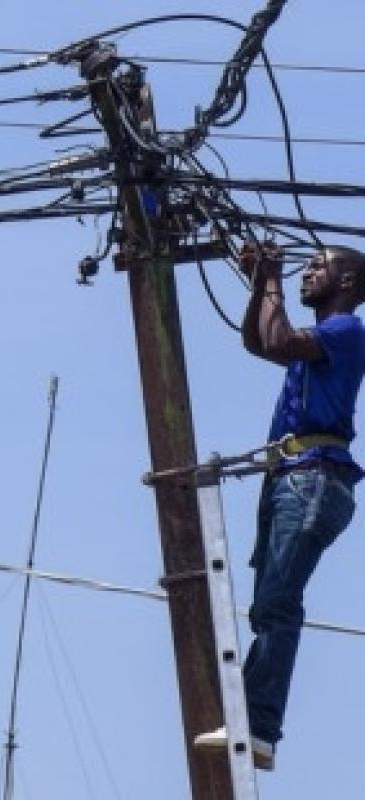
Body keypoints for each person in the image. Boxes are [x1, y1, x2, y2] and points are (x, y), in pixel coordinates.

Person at [194, 241, 365, 771]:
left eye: (320, 266)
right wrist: (260, 284)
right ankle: (253, 723)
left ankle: (259, 726)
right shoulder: (323, 337)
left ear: (348, 283)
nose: (307, 272)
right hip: (292, 477)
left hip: (313, 479)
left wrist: (268, 279)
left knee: (276, 605)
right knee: (269, 603)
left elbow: (280, 338)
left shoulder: (346, 329)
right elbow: (260, 343)